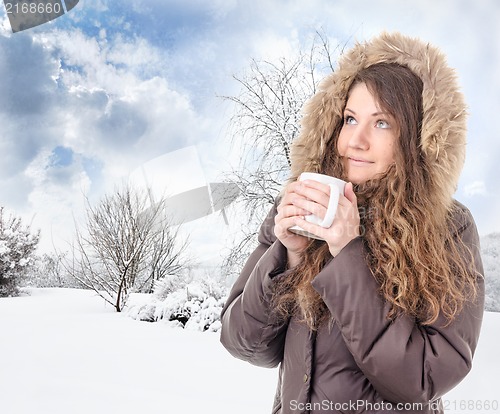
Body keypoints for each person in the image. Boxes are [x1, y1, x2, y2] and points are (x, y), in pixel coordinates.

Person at [220, 31, 484, 414]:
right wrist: (287, 256)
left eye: (382, 124)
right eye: (350, 118)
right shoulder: (299, 203)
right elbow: (244, 343)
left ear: (417, 138)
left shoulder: (448, 226)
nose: (356, 140)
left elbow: (423, 379)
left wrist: (347, 252)